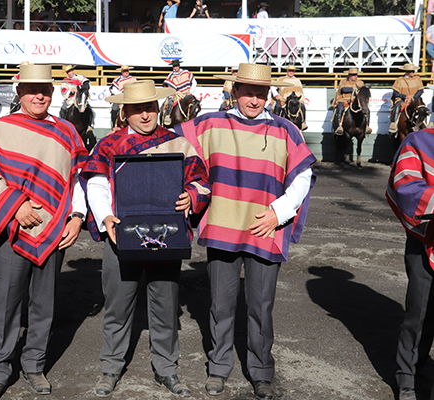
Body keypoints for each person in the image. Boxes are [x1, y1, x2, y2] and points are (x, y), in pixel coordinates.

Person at [181, 63, 315, 400]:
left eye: (260, 94)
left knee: (260, 307)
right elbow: (172, 147)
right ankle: (219, 368)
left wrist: (278, 213)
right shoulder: (208, 123)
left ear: (268, 95)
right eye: (248, 93)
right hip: (223, 227)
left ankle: (261, 371)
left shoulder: (286, 130)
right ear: (235, 92)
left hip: (264, 229)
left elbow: (301, 179)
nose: (254, 100)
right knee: (220, 305)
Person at [85, 79, 211, 398]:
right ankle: (111, 368)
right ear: (125, 112)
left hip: (166, 238)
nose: (145, 115)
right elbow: (96, 185)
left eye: (150, 108)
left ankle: (167, 369)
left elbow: (202, 182)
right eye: (137, 110)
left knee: (166, 305)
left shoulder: (178, 143)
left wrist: (191, 196)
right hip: (120, 237)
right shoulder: (109, 144)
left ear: (159, 109)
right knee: (117, 306)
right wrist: (105, 217)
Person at [0, 63, 88, 400]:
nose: (39, 95)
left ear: (53, 94)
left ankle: (34, 366)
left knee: (43, 304)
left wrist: (77, 217)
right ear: (19, 93)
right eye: (32, 89)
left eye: (45, 90)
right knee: (5, 303)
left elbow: (77, 179)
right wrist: (15, 205)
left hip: (55, 229)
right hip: (13, 226)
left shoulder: (68, 132)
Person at [386, 128, 434, 400]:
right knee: (420, 313)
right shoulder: (418, 141)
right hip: (426, 238)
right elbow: (406, 185)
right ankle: (408, 376)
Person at [389, 63, 425, 136]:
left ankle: (424, 124)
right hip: (402, 99)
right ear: (407, 72)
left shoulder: (417, 79)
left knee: (422, 107)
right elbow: (396, 93)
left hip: (415, 99)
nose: (413, 72)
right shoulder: (399, 80)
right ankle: (394, 124)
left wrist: (413, 97)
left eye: (413, 71)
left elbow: (420, 90)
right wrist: (405, 96)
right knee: (398, 106)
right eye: (412, 71)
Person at [270, 65, 308, 130]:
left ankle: (302, 123)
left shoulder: (297, 80)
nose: (291, 72)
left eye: (293, 71)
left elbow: (300, 91)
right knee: (278, 106)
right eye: (290, 70)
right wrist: (277, 95)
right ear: (287, 71)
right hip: (284, 99)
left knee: (302, 107)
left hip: (295, 100)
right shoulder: (281, 79)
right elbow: (273, 87)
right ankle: (274, 122)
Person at [331, 68, 366, 135]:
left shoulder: (360, 82)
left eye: (356, 75)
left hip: (356, 100)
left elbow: (360, 90)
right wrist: (353, 88)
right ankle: (339, 126)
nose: (356, 76)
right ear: (349, 75)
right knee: (340, 108)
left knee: (366, 109)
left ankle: (366, 126)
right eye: (354, 75)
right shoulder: (343, 81)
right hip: (343, 99)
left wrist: (350, 88)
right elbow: (343, 89)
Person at [161, 59, 196, 126]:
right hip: (176, 94)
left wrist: (191, 92)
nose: (175, 68)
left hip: (186, 93)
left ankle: (193, 119)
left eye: (176, 66)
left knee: (194, 104)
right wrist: (174, 92)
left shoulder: (186, 72)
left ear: (179, 65)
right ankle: (167, 117)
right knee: (170, 102)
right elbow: (168, 85)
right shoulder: (171, 75)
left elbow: (194, 82)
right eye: (174, 66)